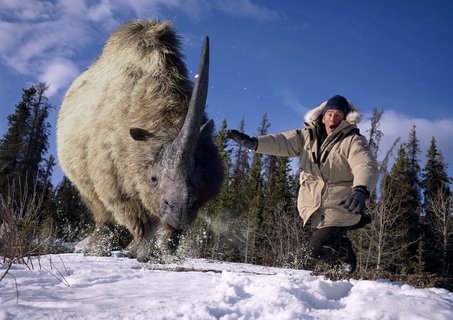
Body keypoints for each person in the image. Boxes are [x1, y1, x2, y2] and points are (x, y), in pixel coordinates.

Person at [226, 95, 378, 273]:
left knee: (314, 250)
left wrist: (361, 189)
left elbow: (365, 164)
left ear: (345, 119)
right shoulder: (306, 137)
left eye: (338, 115)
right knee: (320, 248)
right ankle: (341, 259)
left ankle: (342, 264)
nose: (333, 119)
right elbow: (281, 142)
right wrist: (255, 143)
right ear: (322, 117)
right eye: (329, 114)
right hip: (315, 207)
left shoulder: (352, 140)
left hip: (342, 205)